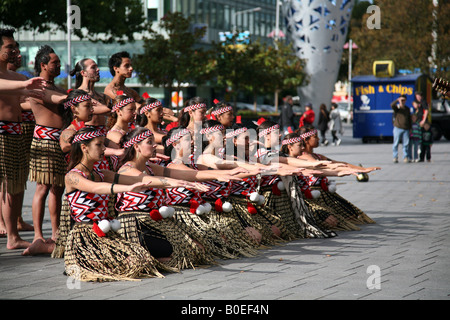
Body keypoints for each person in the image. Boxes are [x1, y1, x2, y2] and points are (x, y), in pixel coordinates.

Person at [0, 28, 42, 248]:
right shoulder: (13, 80)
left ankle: (14, 233)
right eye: (9, 47)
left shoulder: (16, 77)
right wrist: (24, 85)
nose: (15, 50)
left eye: (15, 46)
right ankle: (11, 237)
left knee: (17, 185)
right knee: (7, 185)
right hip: (2, 134)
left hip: (17, 133)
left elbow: (34, 93)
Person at [27, 45, 68, 246]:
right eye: (55, 62)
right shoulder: (35, 88)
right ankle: (37, 235)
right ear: (43, 65)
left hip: (59, 142)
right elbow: (57, 99)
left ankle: (56, 232)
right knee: (42, 187)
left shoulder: (59, 88)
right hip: (43, 141)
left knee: (58, 188)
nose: (59, 65)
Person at [391, 94, 412, 163]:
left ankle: (405, 157)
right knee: (396, 143)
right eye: (401, 100)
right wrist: (397, 100)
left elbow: (409, 119)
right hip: (397, 128)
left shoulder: (407, 109)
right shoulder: (397, 108)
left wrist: (410, 128)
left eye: (404, 100)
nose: (403, 101)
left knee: (406, 144)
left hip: (406, 128)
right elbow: (392, 105)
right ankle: (395, 157)